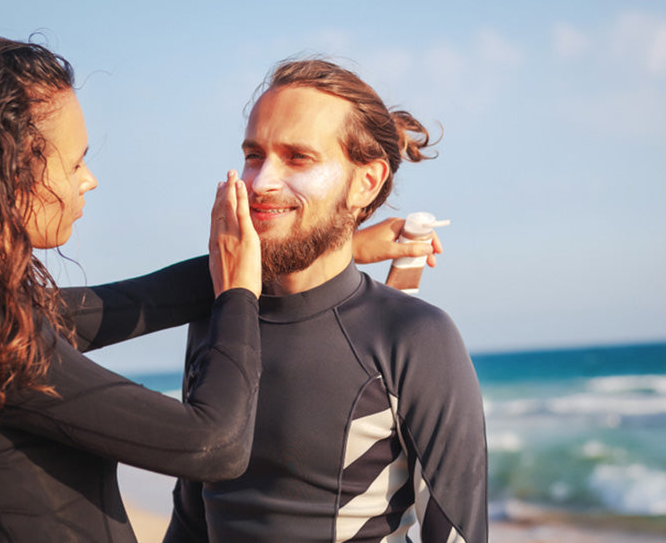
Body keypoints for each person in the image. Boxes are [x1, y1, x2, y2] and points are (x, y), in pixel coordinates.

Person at [0, 36, 264, 543]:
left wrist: (319, 246)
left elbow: (140, 302)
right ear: (9, 174)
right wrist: (239, 300)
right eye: (76, 162)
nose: (89, 180)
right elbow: (216, 446)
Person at [164, 59, 488, 543]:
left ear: (366, 182)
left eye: (298, 157)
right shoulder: (220, 319)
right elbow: (191, 520)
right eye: (254, 155)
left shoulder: (414, 338)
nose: (260, 183)